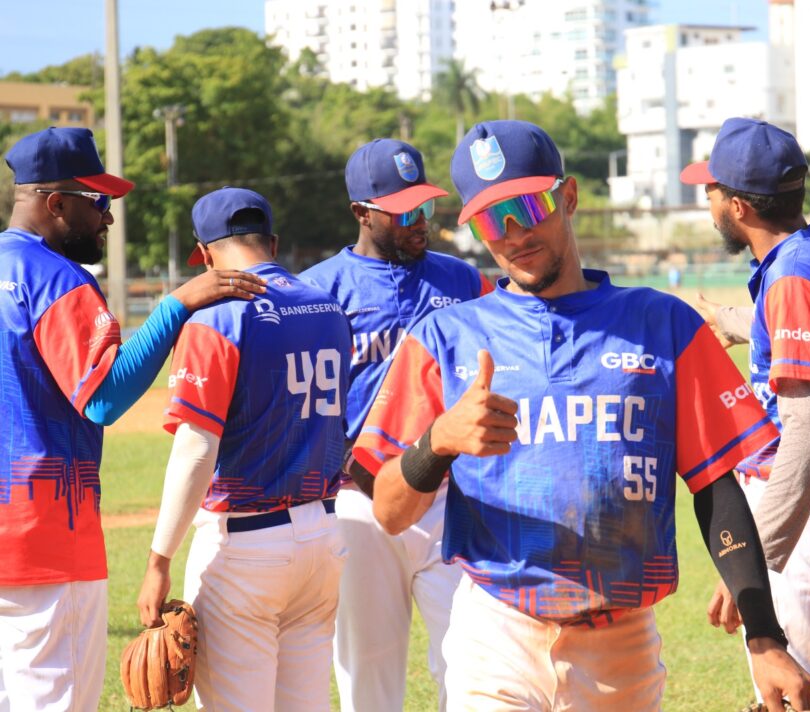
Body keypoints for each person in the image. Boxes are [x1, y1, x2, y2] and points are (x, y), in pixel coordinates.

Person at [353, 120, 810, 712]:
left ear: (567, 197)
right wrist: (437, 442)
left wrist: (764, 635)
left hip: (620, 647)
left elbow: (714, 487)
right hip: (495, 634)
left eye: (528, 206)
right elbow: (390, 512)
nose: (515, 233)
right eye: (493, 219)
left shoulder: (662, 324)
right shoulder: (446, 337)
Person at [0, 127, 263, 711]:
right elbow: (105, 398)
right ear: (56, 203)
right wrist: (177, 305)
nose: (108, 217)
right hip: (44, 545)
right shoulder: (55, 280)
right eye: (98, 202)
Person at [680, 117, 810, 711]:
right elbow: (806, 322)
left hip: (803, 522)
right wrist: (726, 320)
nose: (710, 200)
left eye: (712, 191)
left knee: (796, 702)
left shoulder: (793, 276)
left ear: (739, 206)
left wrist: (753, 558)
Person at [135, 187, 352, 711]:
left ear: (205, 254)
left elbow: (195, 448)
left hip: (247, 546)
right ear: (272, 242)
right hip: (323, 538)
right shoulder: (328, 307)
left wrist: (159, 558)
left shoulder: (217, 316)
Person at [300, 138, 491, 712]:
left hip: (449, 498)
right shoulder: (318, 291)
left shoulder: (462, 281)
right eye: (403, 210)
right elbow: (303, 405)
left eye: (425, 207)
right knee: (370, 674)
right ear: (362, 212)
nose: (419, 221)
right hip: (360, 499)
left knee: (467, 662)